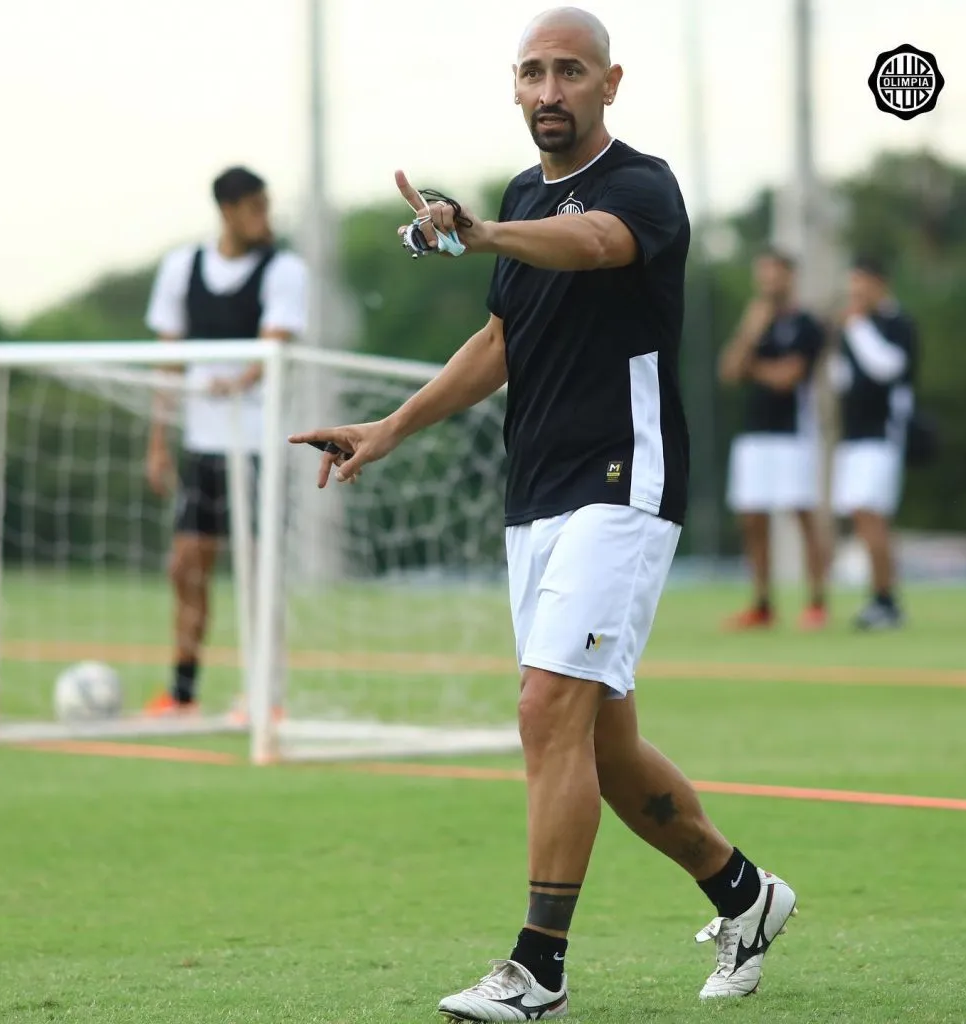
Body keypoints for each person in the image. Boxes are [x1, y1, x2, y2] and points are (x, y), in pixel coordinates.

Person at [291, 7, 797, 1019]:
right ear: (514, 88)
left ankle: (538, 966)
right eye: (532, 72)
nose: (550, 88)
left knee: (542, 711)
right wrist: (391, 427)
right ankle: (744, 894)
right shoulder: (525, 197)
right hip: (537, 499)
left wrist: (480, 231)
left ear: (609, 84)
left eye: (571, 70)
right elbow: (499, 340)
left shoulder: (638, 188)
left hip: (623, 484)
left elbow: (593, 243)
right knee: (602, 752)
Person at [143, 166, 307, 714]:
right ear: (228, 210)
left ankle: (266, 693)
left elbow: (274, 346)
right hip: (204, 446)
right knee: (186, 565)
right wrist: (158, 441)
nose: (266, 217)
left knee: (259, 570)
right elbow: (169, 362)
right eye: (255, 207)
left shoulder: (283, 269)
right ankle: (183, 691)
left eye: (267, 206)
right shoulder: (181, 268)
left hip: (258, 444)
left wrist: (235, 385)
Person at [718, 249, 829, 630]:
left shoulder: (807, 325)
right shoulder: (755, 321)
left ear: (789, 277)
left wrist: (755, 368)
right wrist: (750, 333)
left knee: (802, 515)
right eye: (762, 274)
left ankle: (817, 602)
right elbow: (730, 370)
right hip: (754, 435)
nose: (767, 282)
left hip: (793, 434)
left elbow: (789, 378)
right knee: (752, 518)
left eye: (774, 274)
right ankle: (762, 605)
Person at [829, 256, 917, 629]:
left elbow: (886, 368)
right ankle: (883, 597)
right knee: (862, 514)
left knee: (871, 513)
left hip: (882, 434)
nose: (855, 292)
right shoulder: (855, 327)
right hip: (854, 435)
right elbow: (841, 380)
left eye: (861, 283)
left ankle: (886, 600)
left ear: (880, 283)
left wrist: (858, 329)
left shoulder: (897, 324)